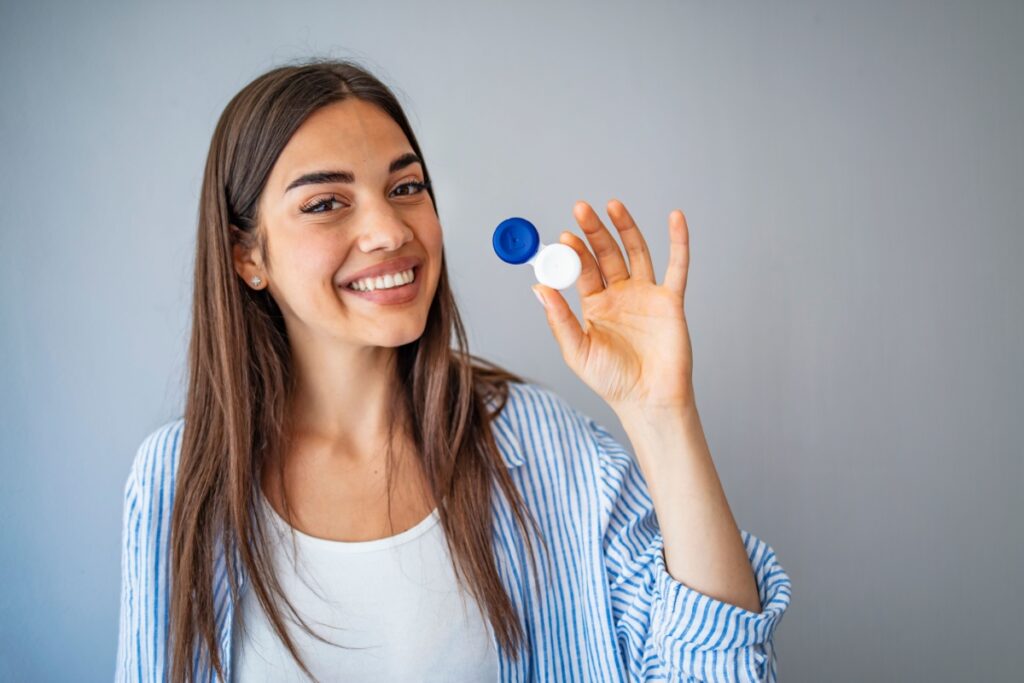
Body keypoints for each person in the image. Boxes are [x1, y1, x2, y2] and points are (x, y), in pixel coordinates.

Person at [115, 58, 792, 683]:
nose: (389, 229)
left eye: (406, 187)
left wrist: (662, 415)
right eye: (326, 202)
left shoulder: (542, 447)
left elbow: (718, 668)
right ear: (246, 257)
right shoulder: (178, 482)